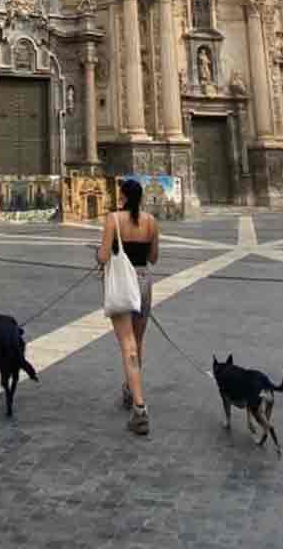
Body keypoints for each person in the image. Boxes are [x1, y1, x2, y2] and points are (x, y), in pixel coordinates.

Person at [95, 178, 159, 437]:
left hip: (124, 284)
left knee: (127, 345)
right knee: (138, 343)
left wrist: (100, 255)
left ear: (121, 196)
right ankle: (130, 388)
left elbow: (103, 256)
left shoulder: (113, 219)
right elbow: (154, 257)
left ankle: (140, 408)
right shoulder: (152, 222)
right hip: (144, 282)